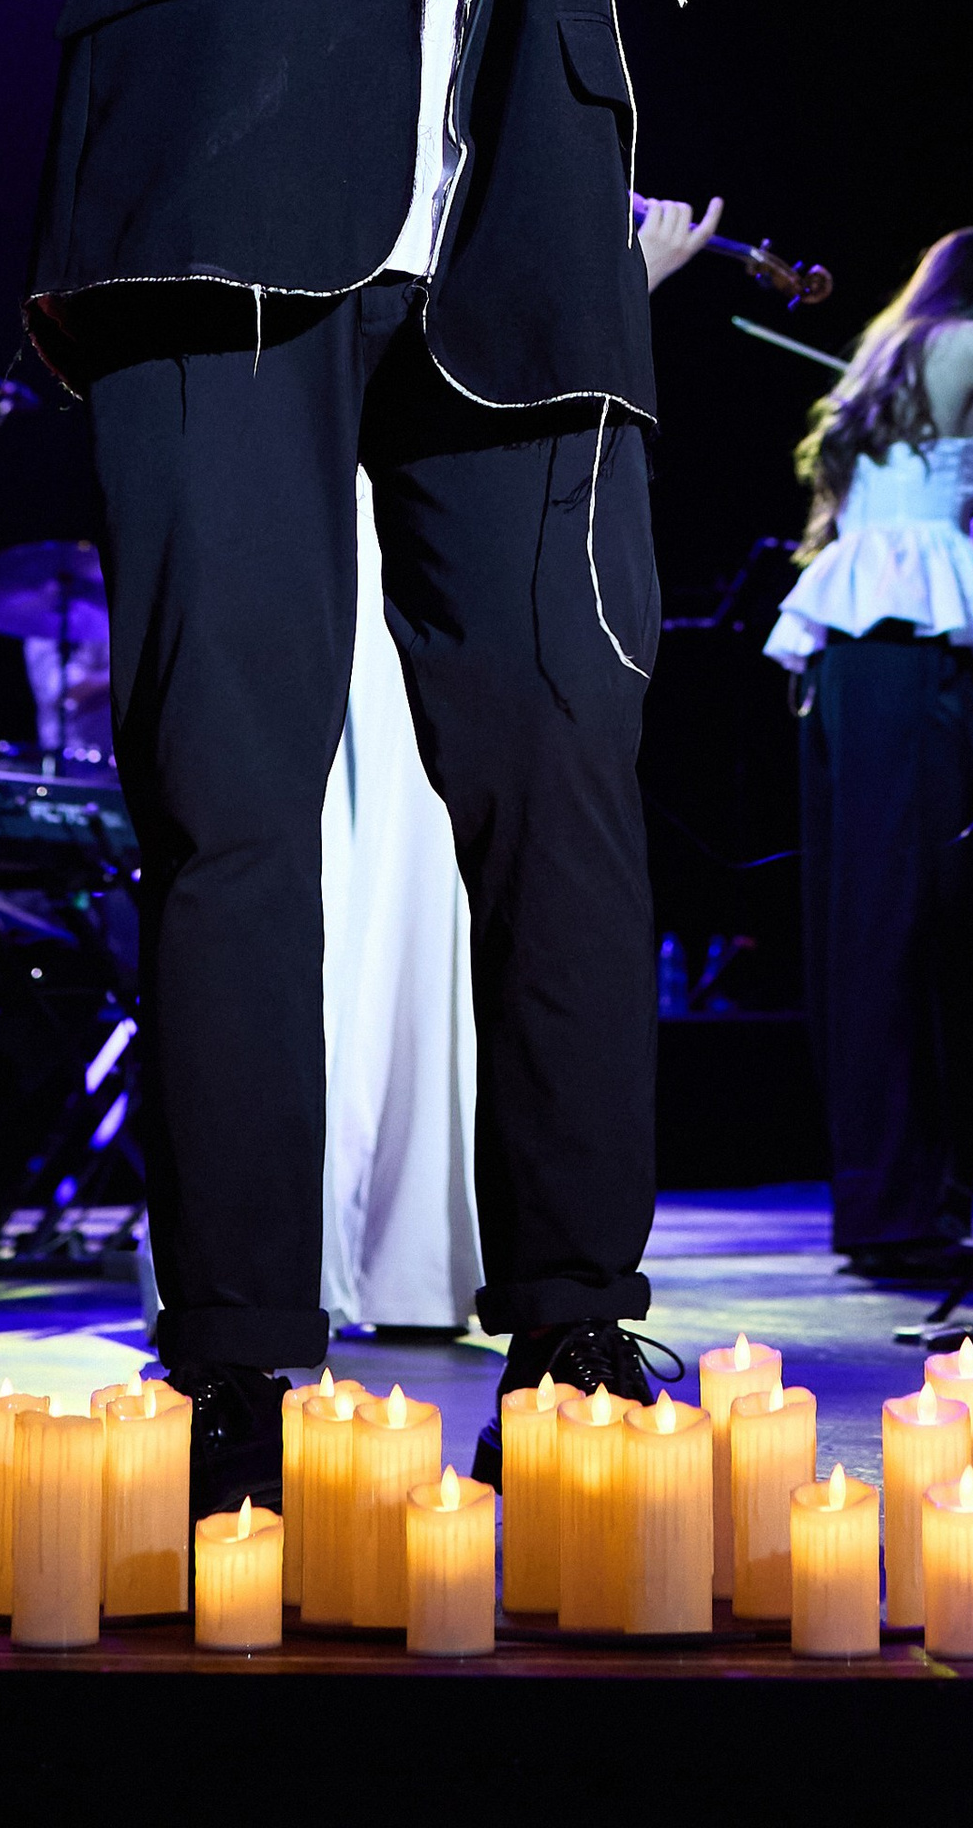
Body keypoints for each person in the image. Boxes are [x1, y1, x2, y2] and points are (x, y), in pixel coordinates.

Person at [0, 0, 960, 1508]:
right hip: (214, 236)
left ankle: (572, 1339)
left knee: (566, 807)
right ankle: (233, 1358)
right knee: (223, 812)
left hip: (516, 286)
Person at [320, 190, 724, 1337]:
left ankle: (423, 1254)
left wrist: (615, 277)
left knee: (451, 894)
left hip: (465, 498)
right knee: (352, 882)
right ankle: (321, 1241)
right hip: (361, 498)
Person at [766, 226, 973, 1282]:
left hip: (849, 657)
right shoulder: (967, 342)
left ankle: (888, 1200)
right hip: (907, 647)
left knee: (863, 928)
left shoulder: (886, 358)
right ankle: (908, 1214)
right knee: (910, 924)